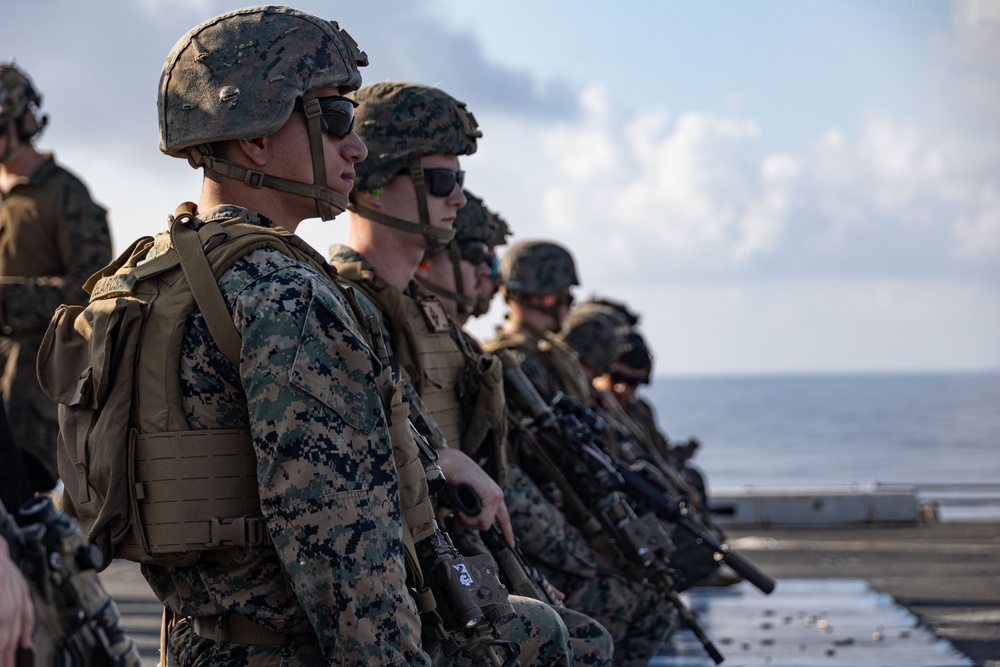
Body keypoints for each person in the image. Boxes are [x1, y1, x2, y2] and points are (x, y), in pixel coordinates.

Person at [330, 81, 580, 666]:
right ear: (372, 183)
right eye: (442, 181)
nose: (460, 200)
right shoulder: (343, 306)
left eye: (460, 181)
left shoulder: (421, 312)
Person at [411, 191, 615, 666]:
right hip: (452, 541)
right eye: (477, 258)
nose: (490, 276)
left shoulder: (455, 342)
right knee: (573, 626)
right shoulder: (503, 356)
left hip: (476, 535)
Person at [482, 241, 677, 667]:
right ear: (543, 295)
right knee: (619, 598)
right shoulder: (518, 364)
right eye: (564, 297)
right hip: (539, 537)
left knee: (653, 593)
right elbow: (527, 472)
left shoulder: (550, 359)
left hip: (567, 522)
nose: (568, 308)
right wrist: (588, 552)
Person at [0, 61, 112, 477]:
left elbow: (97, 291)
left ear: (18, 122)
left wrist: (9, 297)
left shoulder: (66, 195)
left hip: (39, 394)